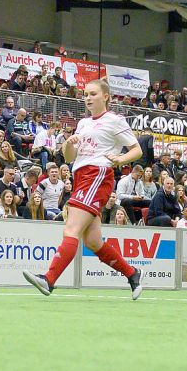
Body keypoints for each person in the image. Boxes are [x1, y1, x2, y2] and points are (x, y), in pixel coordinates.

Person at [23, 79, 144, 299]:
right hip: (81, 176)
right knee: (93, 241)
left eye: (93, 94)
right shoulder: (83, 123)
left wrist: (119, 159)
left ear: (106, 96)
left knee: (71, 229)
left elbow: (137, 150)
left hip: (97, 175)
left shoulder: (115, 120)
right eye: (85, 94)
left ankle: (49, 279)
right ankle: (133, 273)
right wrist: (69, 143)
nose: (88, 98)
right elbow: (70, 158)